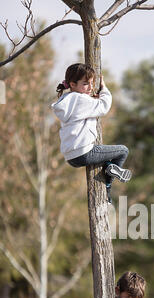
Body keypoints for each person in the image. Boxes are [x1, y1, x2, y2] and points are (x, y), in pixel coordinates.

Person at [51, 63, 132, 203]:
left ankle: (109, 167)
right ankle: (108, 184)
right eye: (85, 84)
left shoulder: (66, 101)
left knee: (107, 160)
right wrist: (104, 90)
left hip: (71, 157)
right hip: (85, 152)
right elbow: (104, 106)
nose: (90, 87)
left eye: (91, 83)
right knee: (123, 151)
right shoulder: (80, 99)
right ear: (73, 84)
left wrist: (91, 98)